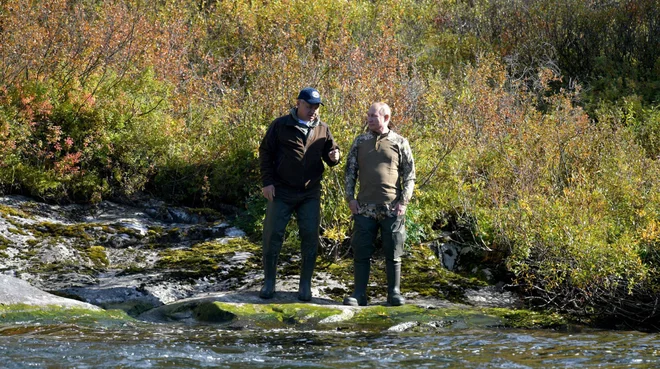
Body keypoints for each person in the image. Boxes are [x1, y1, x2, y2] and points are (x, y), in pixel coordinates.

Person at [258, 87, 341, 301]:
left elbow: (332, 155)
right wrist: (267, 183)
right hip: (282, 190)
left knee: (309, 237)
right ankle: (269, 282)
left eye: (315, 107)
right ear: (298, 104)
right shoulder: (280, 125)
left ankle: (305, 285)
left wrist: (335, 156)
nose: (312, 110)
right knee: (272, 235)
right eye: (309, 106)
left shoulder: (323, 128)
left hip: (309, 192)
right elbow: (265, 152)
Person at [343, 102, 415, 306]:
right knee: (361, 250)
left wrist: (404, 202)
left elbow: (410, 175)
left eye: (374, 116)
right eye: (368, 115)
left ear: (386, 117)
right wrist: (350, 199)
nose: (369, 119)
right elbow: (350, 172)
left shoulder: (400, 142)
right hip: (364, 208)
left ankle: (394, 293)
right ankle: (359, 294)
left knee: (393, 252)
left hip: (392, 208)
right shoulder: (360, 141)